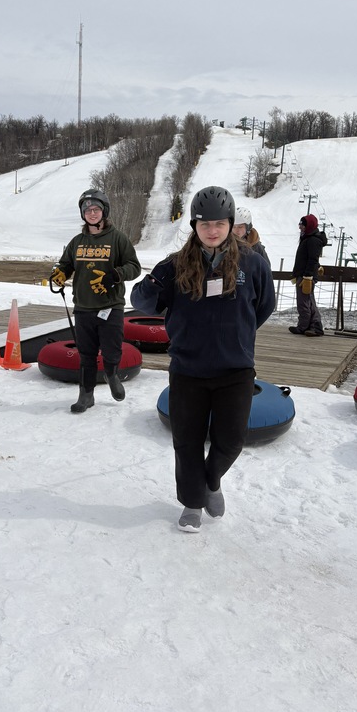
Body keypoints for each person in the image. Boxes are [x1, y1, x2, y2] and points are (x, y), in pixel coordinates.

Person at [131, 185, 275, 533]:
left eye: (220, 223)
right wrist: (152, 282)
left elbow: (264, 306)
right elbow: (141, 303)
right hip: (188, 369)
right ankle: (192, 503)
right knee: (187, 442)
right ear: (194, 225)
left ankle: (211, 482)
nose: (213, 230)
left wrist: (236, 335)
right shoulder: (175, 265)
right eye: (204, 223)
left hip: (235, 368)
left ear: (230, 223)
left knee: (231, 441)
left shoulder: (252, 263)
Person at [50, 189, 141, 414]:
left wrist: (118, 273)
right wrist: (60, 274)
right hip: (83, 307)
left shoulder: (117, 238)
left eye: (96, 209)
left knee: (111, 351)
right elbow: (65, 265)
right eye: (87, 210)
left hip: (111, 306)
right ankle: (86, 395)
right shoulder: (77, 242)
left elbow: (135, 267)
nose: (92, 213)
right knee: (86, 354)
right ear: (83, 214)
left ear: (104, 211)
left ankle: (111, 375)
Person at [289, 213, 328, 336]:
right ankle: (313, 326)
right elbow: (311, 259)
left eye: (302, 225)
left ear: (309, 226)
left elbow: (312, 259)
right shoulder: (308, 238)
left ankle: (305, 326)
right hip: (305, 274)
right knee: (308, 300)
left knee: (304, 301)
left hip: (306, 276)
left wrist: (308, 277)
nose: (300, 227)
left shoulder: (312, 240)